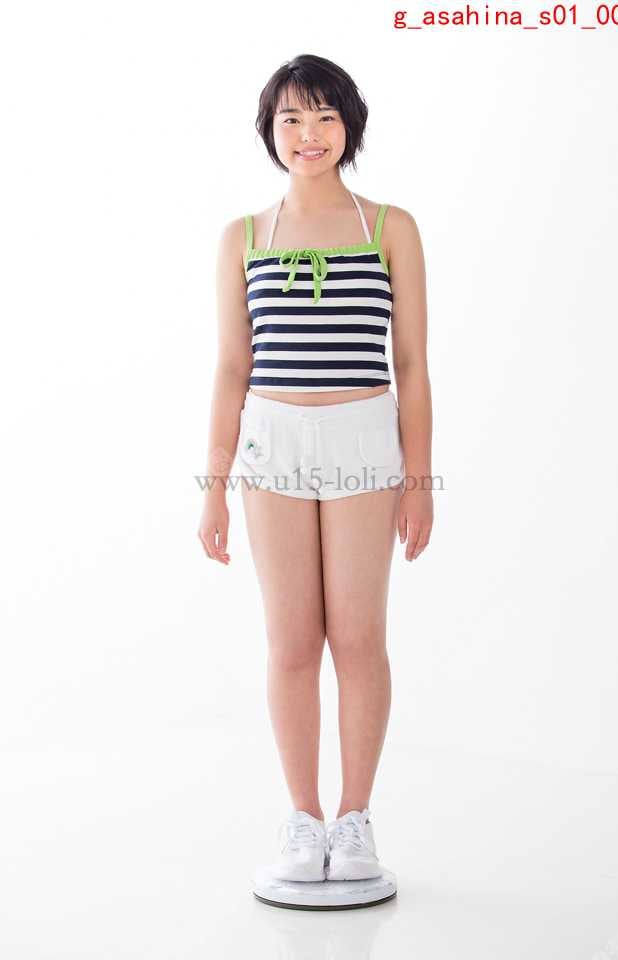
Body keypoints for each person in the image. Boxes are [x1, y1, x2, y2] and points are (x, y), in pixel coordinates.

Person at [198, 53, 433, 882]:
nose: (309, 133)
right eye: (292, 118)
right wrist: (214, 488)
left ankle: (355, 819)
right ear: (270, 130)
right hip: (272, 447)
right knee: (292, 641)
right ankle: (303, 820)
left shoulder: (389, 227)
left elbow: (412, 364)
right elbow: (233, 367)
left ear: (349, 126)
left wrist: (418, 480)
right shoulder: (244, 236)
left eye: (326, 115)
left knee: (359, 638)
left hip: (365, 443)